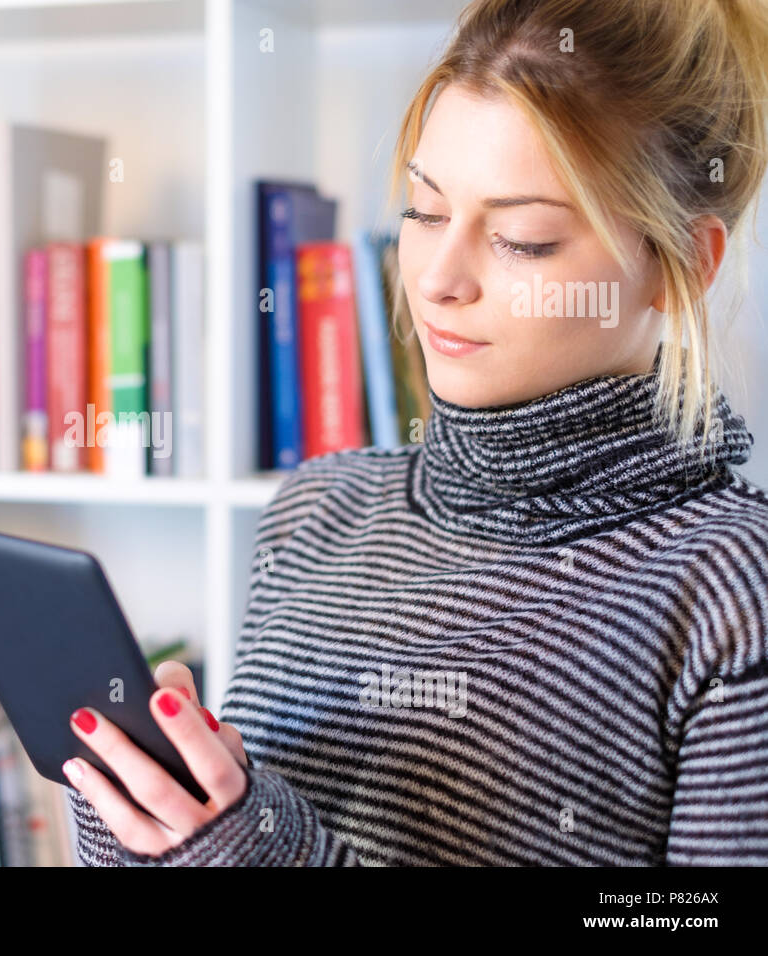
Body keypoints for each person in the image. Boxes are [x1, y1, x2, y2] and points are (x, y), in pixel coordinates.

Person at [63, 0, 768, 866]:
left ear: (683, 267)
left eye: (522, 239)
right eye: (426, 211)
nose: (434, 279)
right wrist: (153, 823)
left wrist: (269, 855)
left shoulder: (734, 594)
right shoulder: (316, 507)